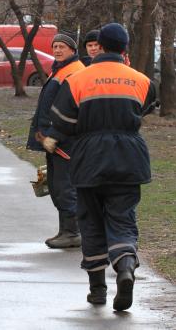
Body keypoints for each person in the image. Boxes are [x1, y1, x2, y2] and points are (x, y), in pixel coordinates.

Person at [50, 23, 156, 311]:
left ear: (100, 45)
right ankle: (125, 267)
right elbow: (145, 108)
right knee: (122, 219)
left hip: (89, 159)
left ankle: (97, 290)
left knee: (91, 221)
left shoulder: (78, 79)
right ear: (124, 48)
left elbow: (62, 122)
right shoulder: (142, 80)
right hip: (129, 158)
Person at [26, 32, 85, 249]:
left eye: (62, 47)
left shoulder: (74, 71)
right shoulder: (60, 70)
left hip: (64, 140)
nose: (58, 50)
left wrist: (55, 135)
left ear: (72, 50)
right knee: (56, 185)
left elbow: (70, 109)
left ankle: (72, 232)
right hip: (53, 138)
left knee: (64, 186)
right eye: (55, 46)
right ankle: (66, 230)